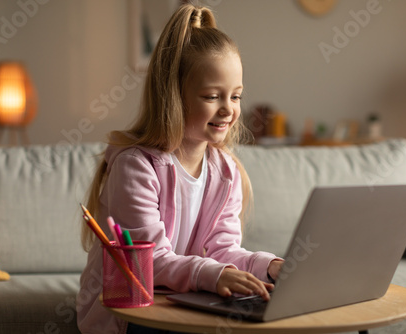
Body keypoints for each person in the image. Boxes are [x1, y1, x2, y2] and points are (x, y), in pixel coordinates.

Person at [76, 4, 284, 334]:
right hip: (129, 313)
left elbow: (223, 251)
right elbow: (150, 263)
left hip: (182, 303)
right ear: (173, 94)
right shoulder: (136, 166)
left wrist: (268, 267)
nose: (228, 109)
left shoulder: (226, 170)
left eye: (236, 96)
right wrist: (212, 275)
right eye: (213, 96)